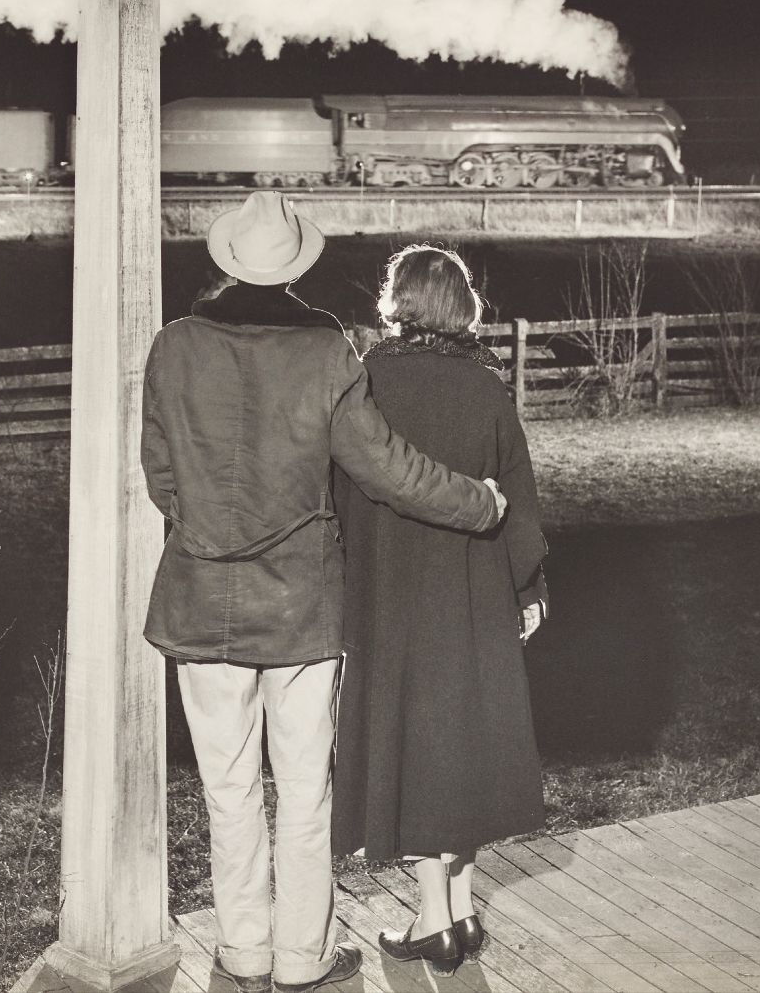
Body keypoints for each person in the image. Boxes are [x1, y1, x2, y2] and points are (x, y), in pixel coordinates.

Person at [141, 192, 507, 993]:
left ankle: (241, 953)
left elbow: (161, 476)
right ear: (298, 265)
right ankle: (304, 960)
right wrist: (481, 503)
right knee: (305, 794)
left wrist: (209, 531)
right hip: (303, 608)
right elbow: (387, 470)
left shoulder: (174, 347)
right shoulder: (328, 353)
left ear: (227, 261)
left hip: (201, 602)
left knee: (227, 792)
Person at [332, 244, 548, 975]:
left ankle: (435, 921)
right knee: (465, 743)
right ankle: (458, 908)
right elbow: (519, 494)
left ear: (399, 303)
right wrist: (530, 588)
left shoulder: (367, 382)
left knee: (416, 746)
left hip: (394, 596)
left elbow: (342, 494)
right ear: (462, 307)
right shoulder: (488, 386)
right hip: (476, 590)